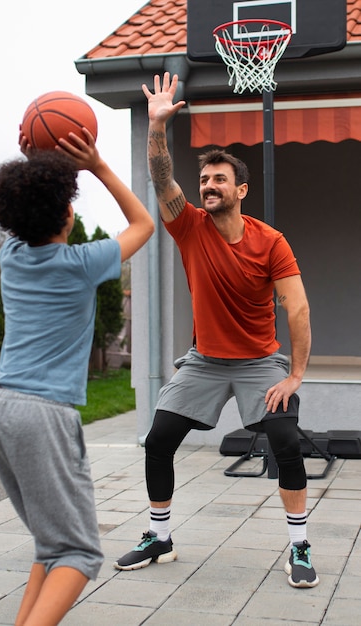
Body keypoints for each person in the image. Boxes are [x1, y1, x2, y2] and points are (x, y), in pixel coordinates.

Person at [114, 72, 319, 589]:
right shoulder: (188, 226)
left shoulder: (271, 242)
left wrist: (293, 376)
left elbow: (297, 309)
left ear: (240, 190)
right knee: (158, 440)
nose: (207, 187)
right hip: (204, 359)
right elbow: (162, 179)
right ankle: (159, 536)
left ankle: (298, 544)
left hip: (259, 362)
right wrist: (156, 128)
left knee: (285, 440)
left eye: (218, 180)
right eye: (204, 180)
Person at [0, 128, 154, 626]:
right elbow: (142, 224)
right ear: (65, 213)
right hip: (43, 415)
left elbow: (15, 215)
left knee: (50, 545)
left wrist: (36, 163)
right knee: (78, 553)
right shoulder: (81, 263)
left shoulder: (10, 257)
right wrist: (96, 166)